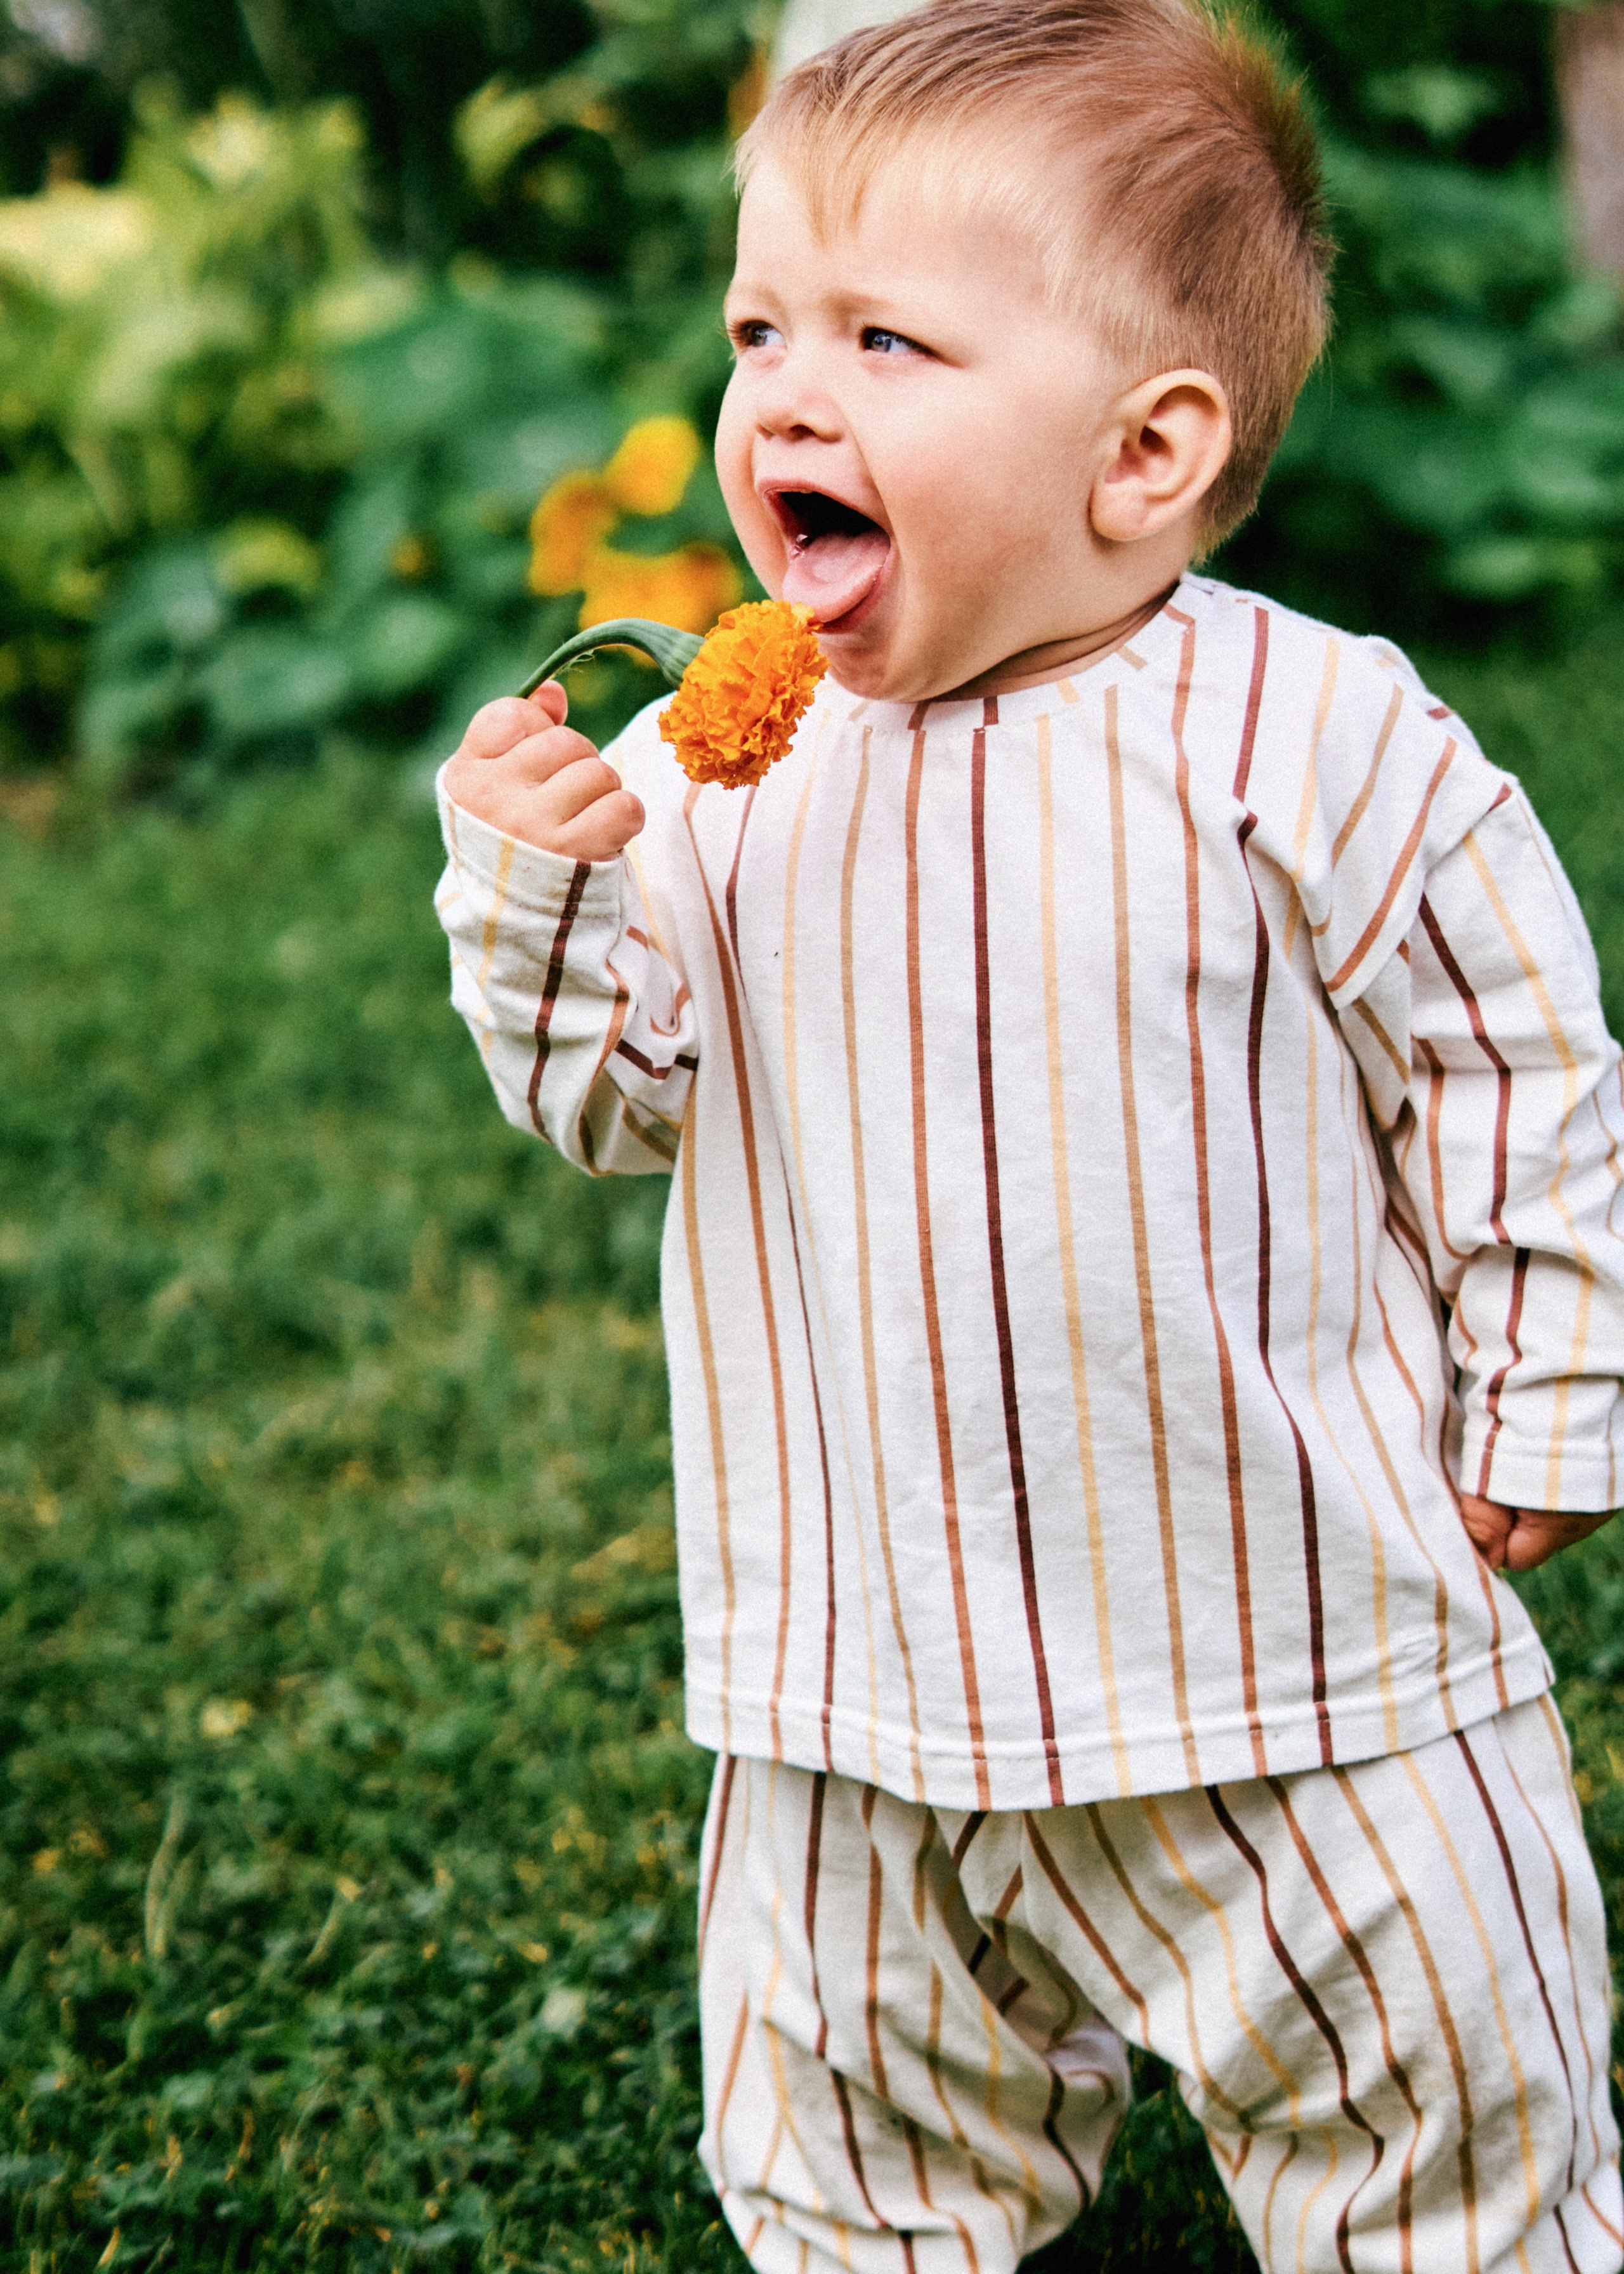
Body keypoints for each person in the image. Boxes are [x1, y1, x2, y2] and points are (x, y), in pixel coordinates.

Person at [433, 2, 1624, 2264]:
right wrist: (544, 888)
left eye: (888, 340)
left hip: (1298, 1662)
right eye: (759, 325)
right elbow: (614, 1103)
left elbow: (1513, 1064)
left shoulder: (1314, 740)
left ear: (1147, 451)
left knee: (1444, 2139)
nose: (783, 393)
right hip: (853, 1696)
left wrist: (1552, 1390)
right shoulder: (711, 775)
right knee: (844, 2168)